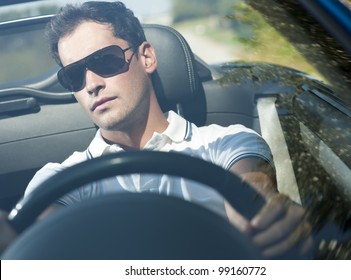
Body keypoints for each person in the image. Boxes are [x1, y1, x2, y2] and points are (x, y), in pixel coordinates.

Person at [0, 1, 313, 258]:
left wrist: (266, 217)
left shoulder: (226, 141)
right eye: (74, 76)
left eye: (105, 61)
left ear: (146, 57)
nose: (91, 84)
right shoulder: (58, 179)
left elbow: (253, 187)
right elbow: (44, 237)